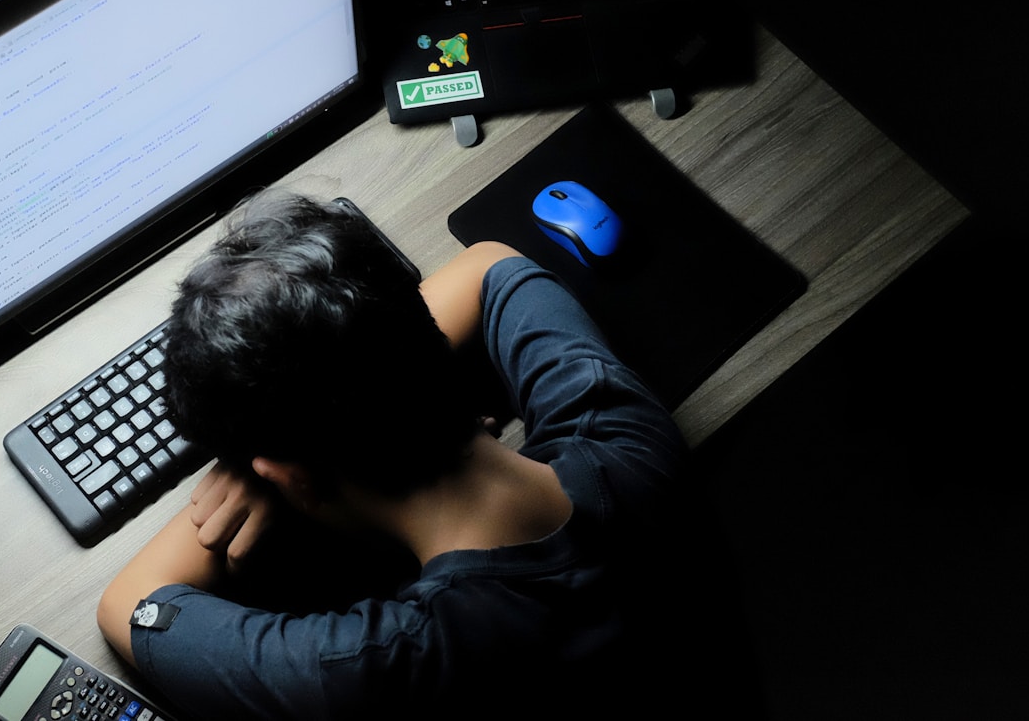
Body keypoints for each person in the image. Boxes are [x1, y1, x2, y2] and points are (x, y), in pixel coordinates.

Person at [96, 192, 690, 718]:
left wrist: (268, 468)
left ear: (294, 479)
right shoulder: (633, 444)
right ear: (425, 329)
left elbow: (130, 602)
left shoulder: (366, 673)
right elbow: (489, 263)